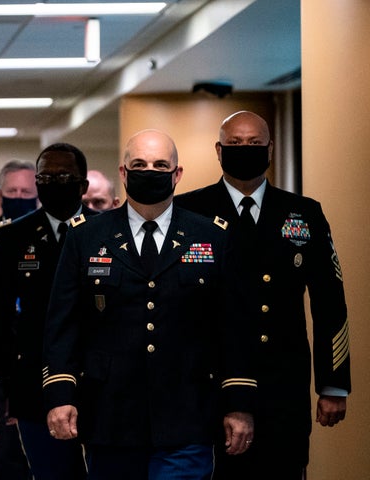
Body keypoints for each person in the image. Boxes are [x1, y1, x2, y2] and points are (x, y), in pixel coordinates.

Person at [43, 129, 257, 479]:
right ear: (123, 173)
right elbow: (62, 325)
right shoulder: (86, 237)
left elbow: (233, 327)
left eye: (160, 164)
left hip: (187, 413)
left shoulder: (212, 236)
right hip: (110, 416)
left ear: (177, 174)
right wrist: (60, 394)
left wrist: (239, 405)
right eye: (139, 164)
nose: (150, 171)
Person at [174, 110, 351, 479]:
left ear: (270, 148)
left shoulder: (303, 213)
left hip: (281, 382)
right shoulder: (189, 211)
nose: (245, 149)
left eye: (254, 143)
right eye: (235, 144)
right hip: (210, 380)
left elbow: (329, 299)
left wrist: (333, 383)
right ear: (219, 151)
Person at [0, 142, 94, 480]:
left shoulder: (106, 230)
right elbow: (0, 317)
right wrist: (1, 388)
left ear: (83, 185)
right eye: (46, 176)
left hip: (99, 379)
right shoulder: (14, 237)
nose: (54, 182)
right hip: (33, 381)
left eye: (64, 176)